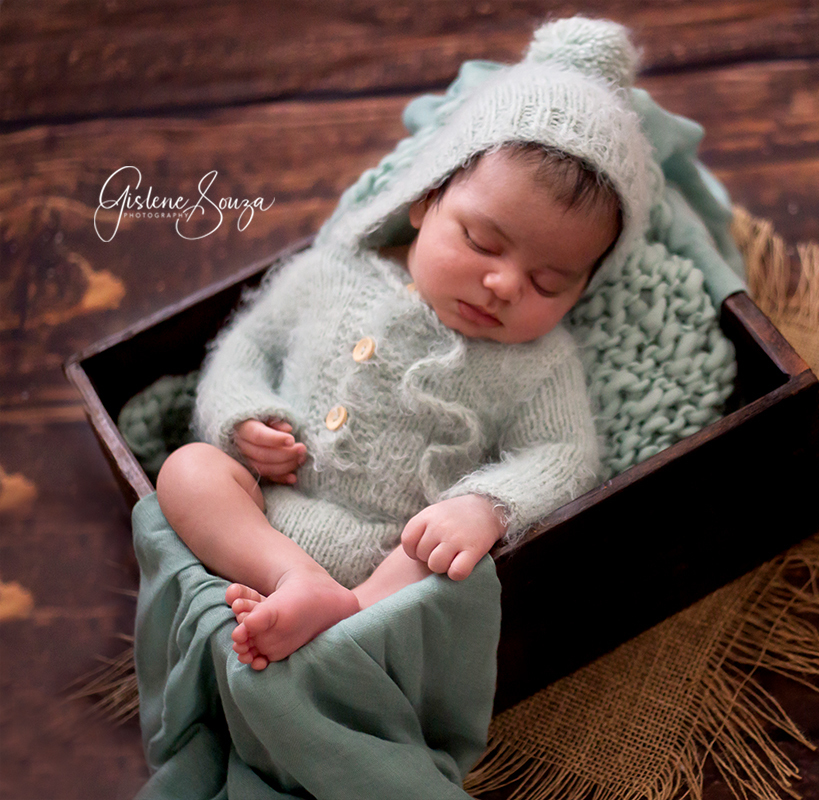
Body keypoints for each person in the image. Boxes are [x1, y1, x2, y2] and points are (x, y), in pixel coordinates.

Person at [154, 17, 661, 671]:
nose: (503, 284)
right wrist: (243, 415)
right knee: (188, 470)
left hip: (394, 559)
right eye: (481, 241)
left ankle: (351, 621)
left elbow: (564, 454)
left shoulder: (538, 362)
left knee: (451, 562)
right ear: (427, 198)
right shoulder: (330, 274)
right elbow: (247, 344)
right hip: (265, 517)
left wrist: (484, 506)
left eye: (549, 281)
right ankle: (295, 582)